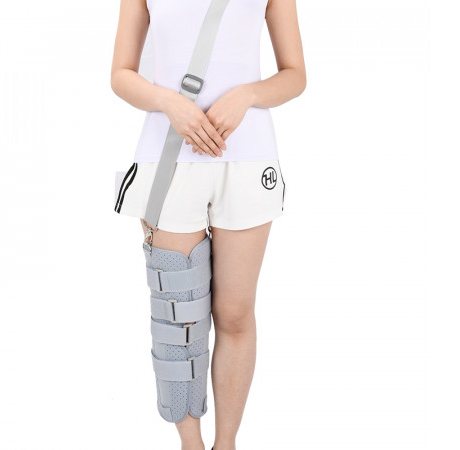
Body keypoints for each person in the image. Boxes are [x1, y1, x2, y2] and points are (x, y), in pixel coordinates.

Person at [111, 0, 306, 449]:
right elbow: (120, 74)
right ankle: (191, 444)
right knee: (177, 317)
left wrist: (248, 95)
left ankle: (227, 443)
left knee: (235, 313)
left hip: (248, 158)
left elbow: (295, 74)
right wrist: (168, 102)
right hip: (168, 157)